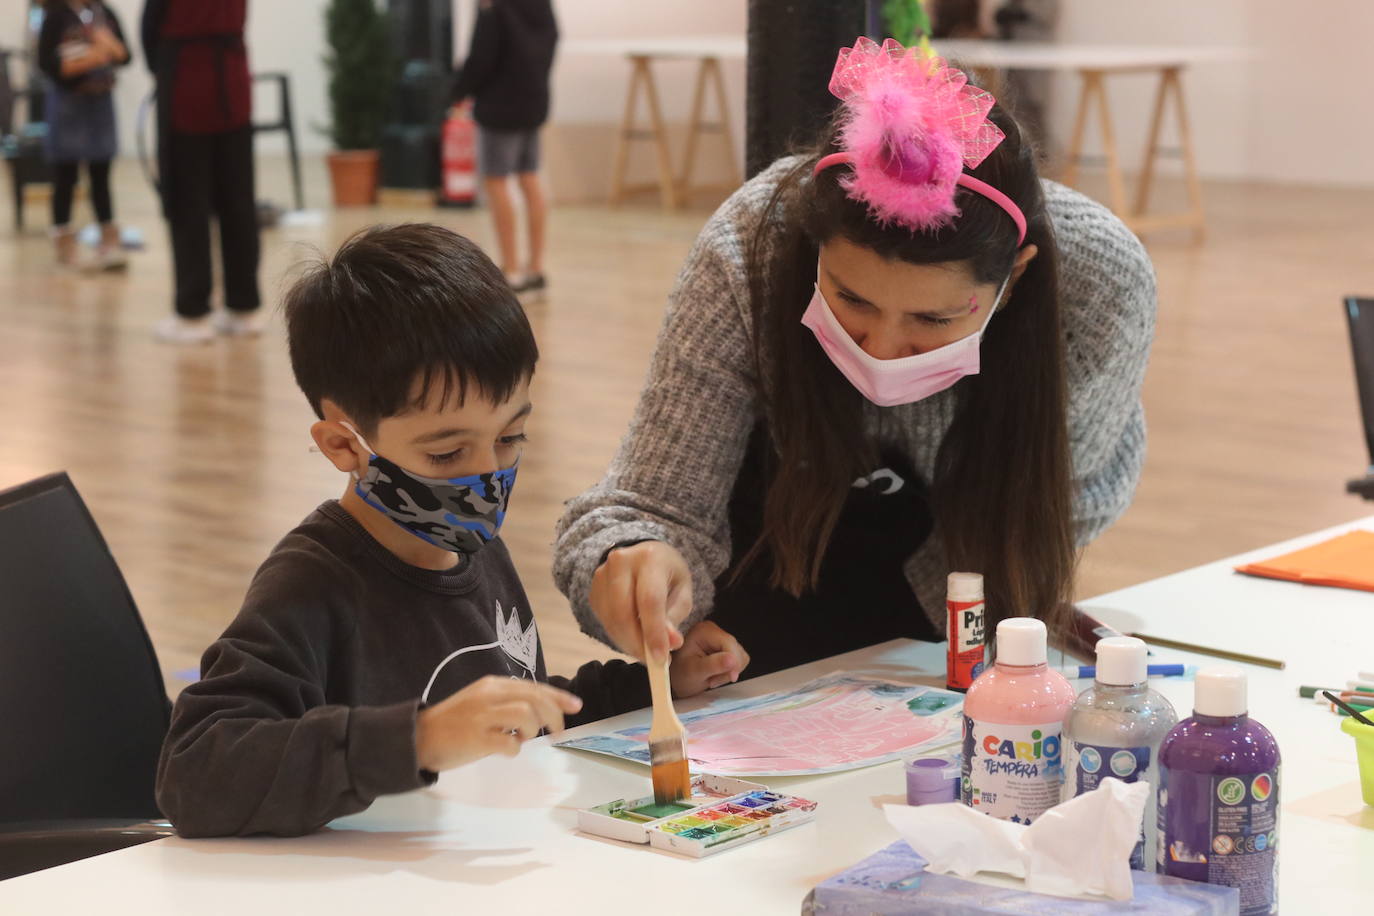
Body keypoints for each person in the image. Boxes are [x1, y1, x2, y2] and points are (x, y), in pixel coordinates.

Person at [553, 38, 1156, 678]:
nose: (883, 349)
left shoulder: (1099, 286)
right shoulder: (751, 246)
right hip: (773, 558)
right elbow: (655, 500)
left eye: (934, 319)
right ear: (813, 250)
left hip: (967, 589)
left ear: (1014, 279)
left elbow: (1065, 496)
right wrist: (638, 564)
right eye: (851, 300)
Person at [155, 224, 747, 838]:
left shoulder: (474, 546)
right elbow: (194, 771)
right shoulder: (309, 585)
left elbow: (518, 711)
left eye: (510, 437)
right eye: (446, 454)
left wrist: (654, 686)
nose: (487, 475)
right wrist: (419, 740)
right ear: (342, 444)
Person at [141, 0, 262, 344]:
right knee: (239, 200)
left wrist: (161, 66)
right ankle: (244, 307)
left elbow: (152, 25)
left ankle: (193, 314)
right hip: (233, 82)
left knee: (187, 202)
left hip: (186, 85)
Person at [451, 0, 557, 300]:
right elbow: (552, 40)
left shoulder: (492, 4)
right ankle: (535, 269)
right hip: (533, 100)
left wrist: (458, 91)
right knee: (529, 177)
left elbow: (482, 55)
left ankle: (512, 271)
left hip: (500, 104)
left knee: (496, 181)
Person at [36, 0, 131, 271]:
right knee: (65, 177)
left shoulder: (105, 13)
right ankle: (65, 247)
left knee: (101, 175)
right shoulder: (55, 18)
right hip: (67, 105)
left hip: (100, 103)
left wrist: (104, 47)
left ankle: (109, 243)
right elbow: (49, 64)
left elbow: (125, 55)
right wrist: (95, 56)